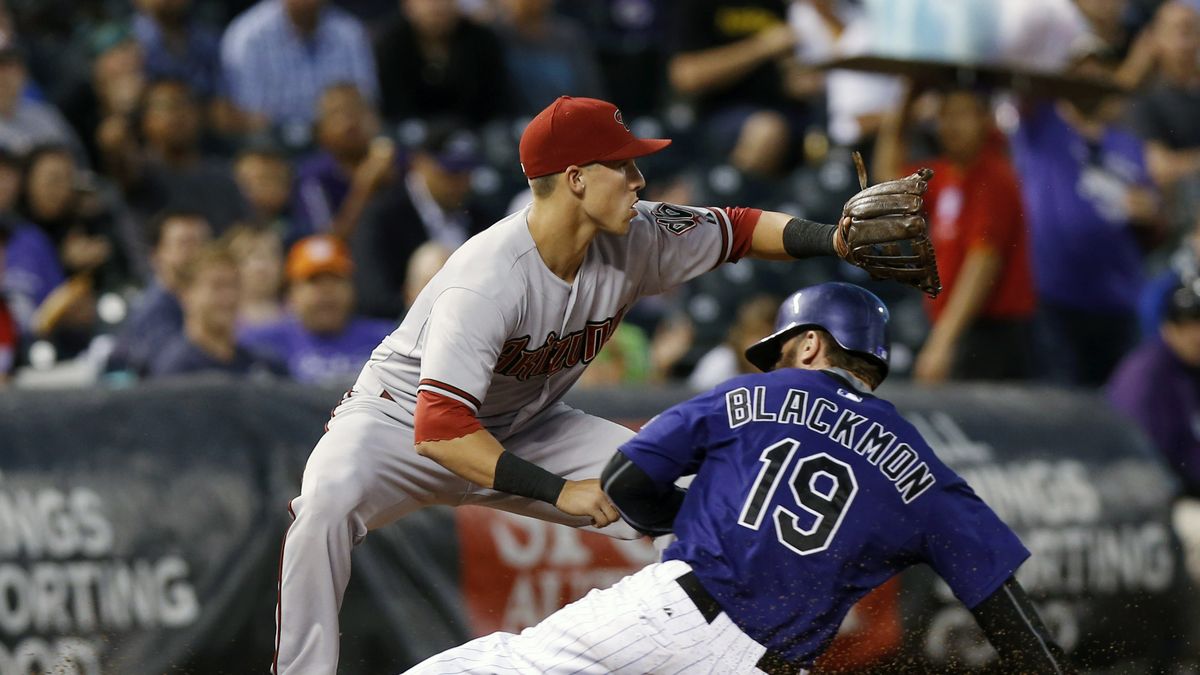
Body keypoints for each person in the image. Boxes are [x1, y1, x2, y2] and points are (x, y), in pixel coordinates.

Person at [271, 95, 935, 674]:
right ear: (576, 177)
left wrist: (832, 240)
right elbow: (441, 429)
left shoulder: (636, 236)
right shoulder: (486, 276)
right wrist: (561, 490)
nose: (639, 178)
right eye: (624, 165)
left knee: (695, 506)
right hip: (399, 422)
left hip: (530, 424)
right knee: (322, 509)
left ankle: (738, 661)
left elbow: (735, 228)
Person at [408, 282, 1072, 674]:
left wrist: (697, 511)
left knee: (496, 664)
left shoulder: (755, 394)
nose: (774, 359)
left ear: (810, 343)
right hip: (771, 664)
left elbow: (626, 478)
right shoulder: (923, 470)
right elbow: (1007, 613)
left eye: (783, 346)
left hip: (679, 609)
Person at [875, 85, 1036, 383]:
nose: (950, 125)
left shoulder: (994, 176)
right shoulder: (947, 174)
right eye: (944, 115)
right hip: (958, 327)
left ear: (985, 119)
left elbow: (983, 260)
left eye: (961, 114)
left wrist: (942, 342)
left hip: (989, 332)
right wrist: (906, 100)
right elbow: (887, 179)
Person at [350, 123, 489, 318]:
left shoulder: (480, 215)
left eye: (467, 172)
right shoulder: (383, 215)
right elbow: (373, 298)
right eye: (451, 172)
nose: (461, 183)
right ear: (420, 163)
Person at [240, 234, 392, 384]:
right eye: (314, 281)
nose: (327, 291)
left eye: (335, 279)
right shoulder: (259, 344)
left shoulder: (387, 341)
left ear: (352, 288)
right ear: (291, 293)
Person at [220, 0, 378, 133]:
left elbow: (367, 104)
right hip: (272, 146)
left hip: (335, 146)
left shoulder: (349, 32)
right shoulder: (249, 35)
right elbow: (246, 115)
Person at [1108, 280, 1200, 498]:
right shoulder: (1148, 377)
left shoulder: (1189, 364)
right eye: (1188, 325)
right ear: (1168, 329)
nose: (1197, 334)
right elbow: (1155, 456)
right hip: (1148, 491)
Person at [148, 243, 285, 377]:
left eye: (235, 285)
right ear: (187, 295)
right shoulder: (175, 371)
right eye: (217, 286)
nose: (229, 296)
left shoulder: (266, 365)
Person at [106, 210, 211, 375]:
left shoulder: (215, 302)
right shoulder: (150, 312)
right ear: (156, 255)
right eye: (184, 244)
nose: (196, 252)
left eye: (202, 242)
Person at [373, 0, 508, 127]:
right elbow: (389, 107)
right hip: (406, 134)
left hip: (476, 134)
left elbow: (497, 102)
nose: (437, 6)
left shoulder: (482, 41)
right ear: (407, 4)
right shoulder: (390, 44)